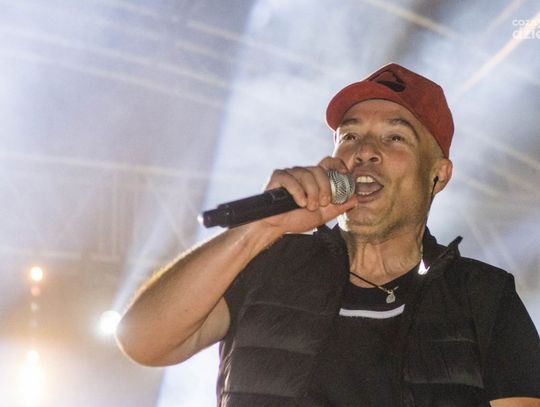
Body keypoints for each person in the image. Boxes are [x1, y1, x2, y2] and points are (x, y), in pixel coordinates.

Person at [116, 63, 540, 406]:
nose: (365, 151)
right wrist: (262, 227)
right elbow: (142, 341)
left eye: (395, 137)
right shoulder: (268, 263)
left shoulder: (482, 295)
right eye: (350, 136)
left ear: (439, 175)